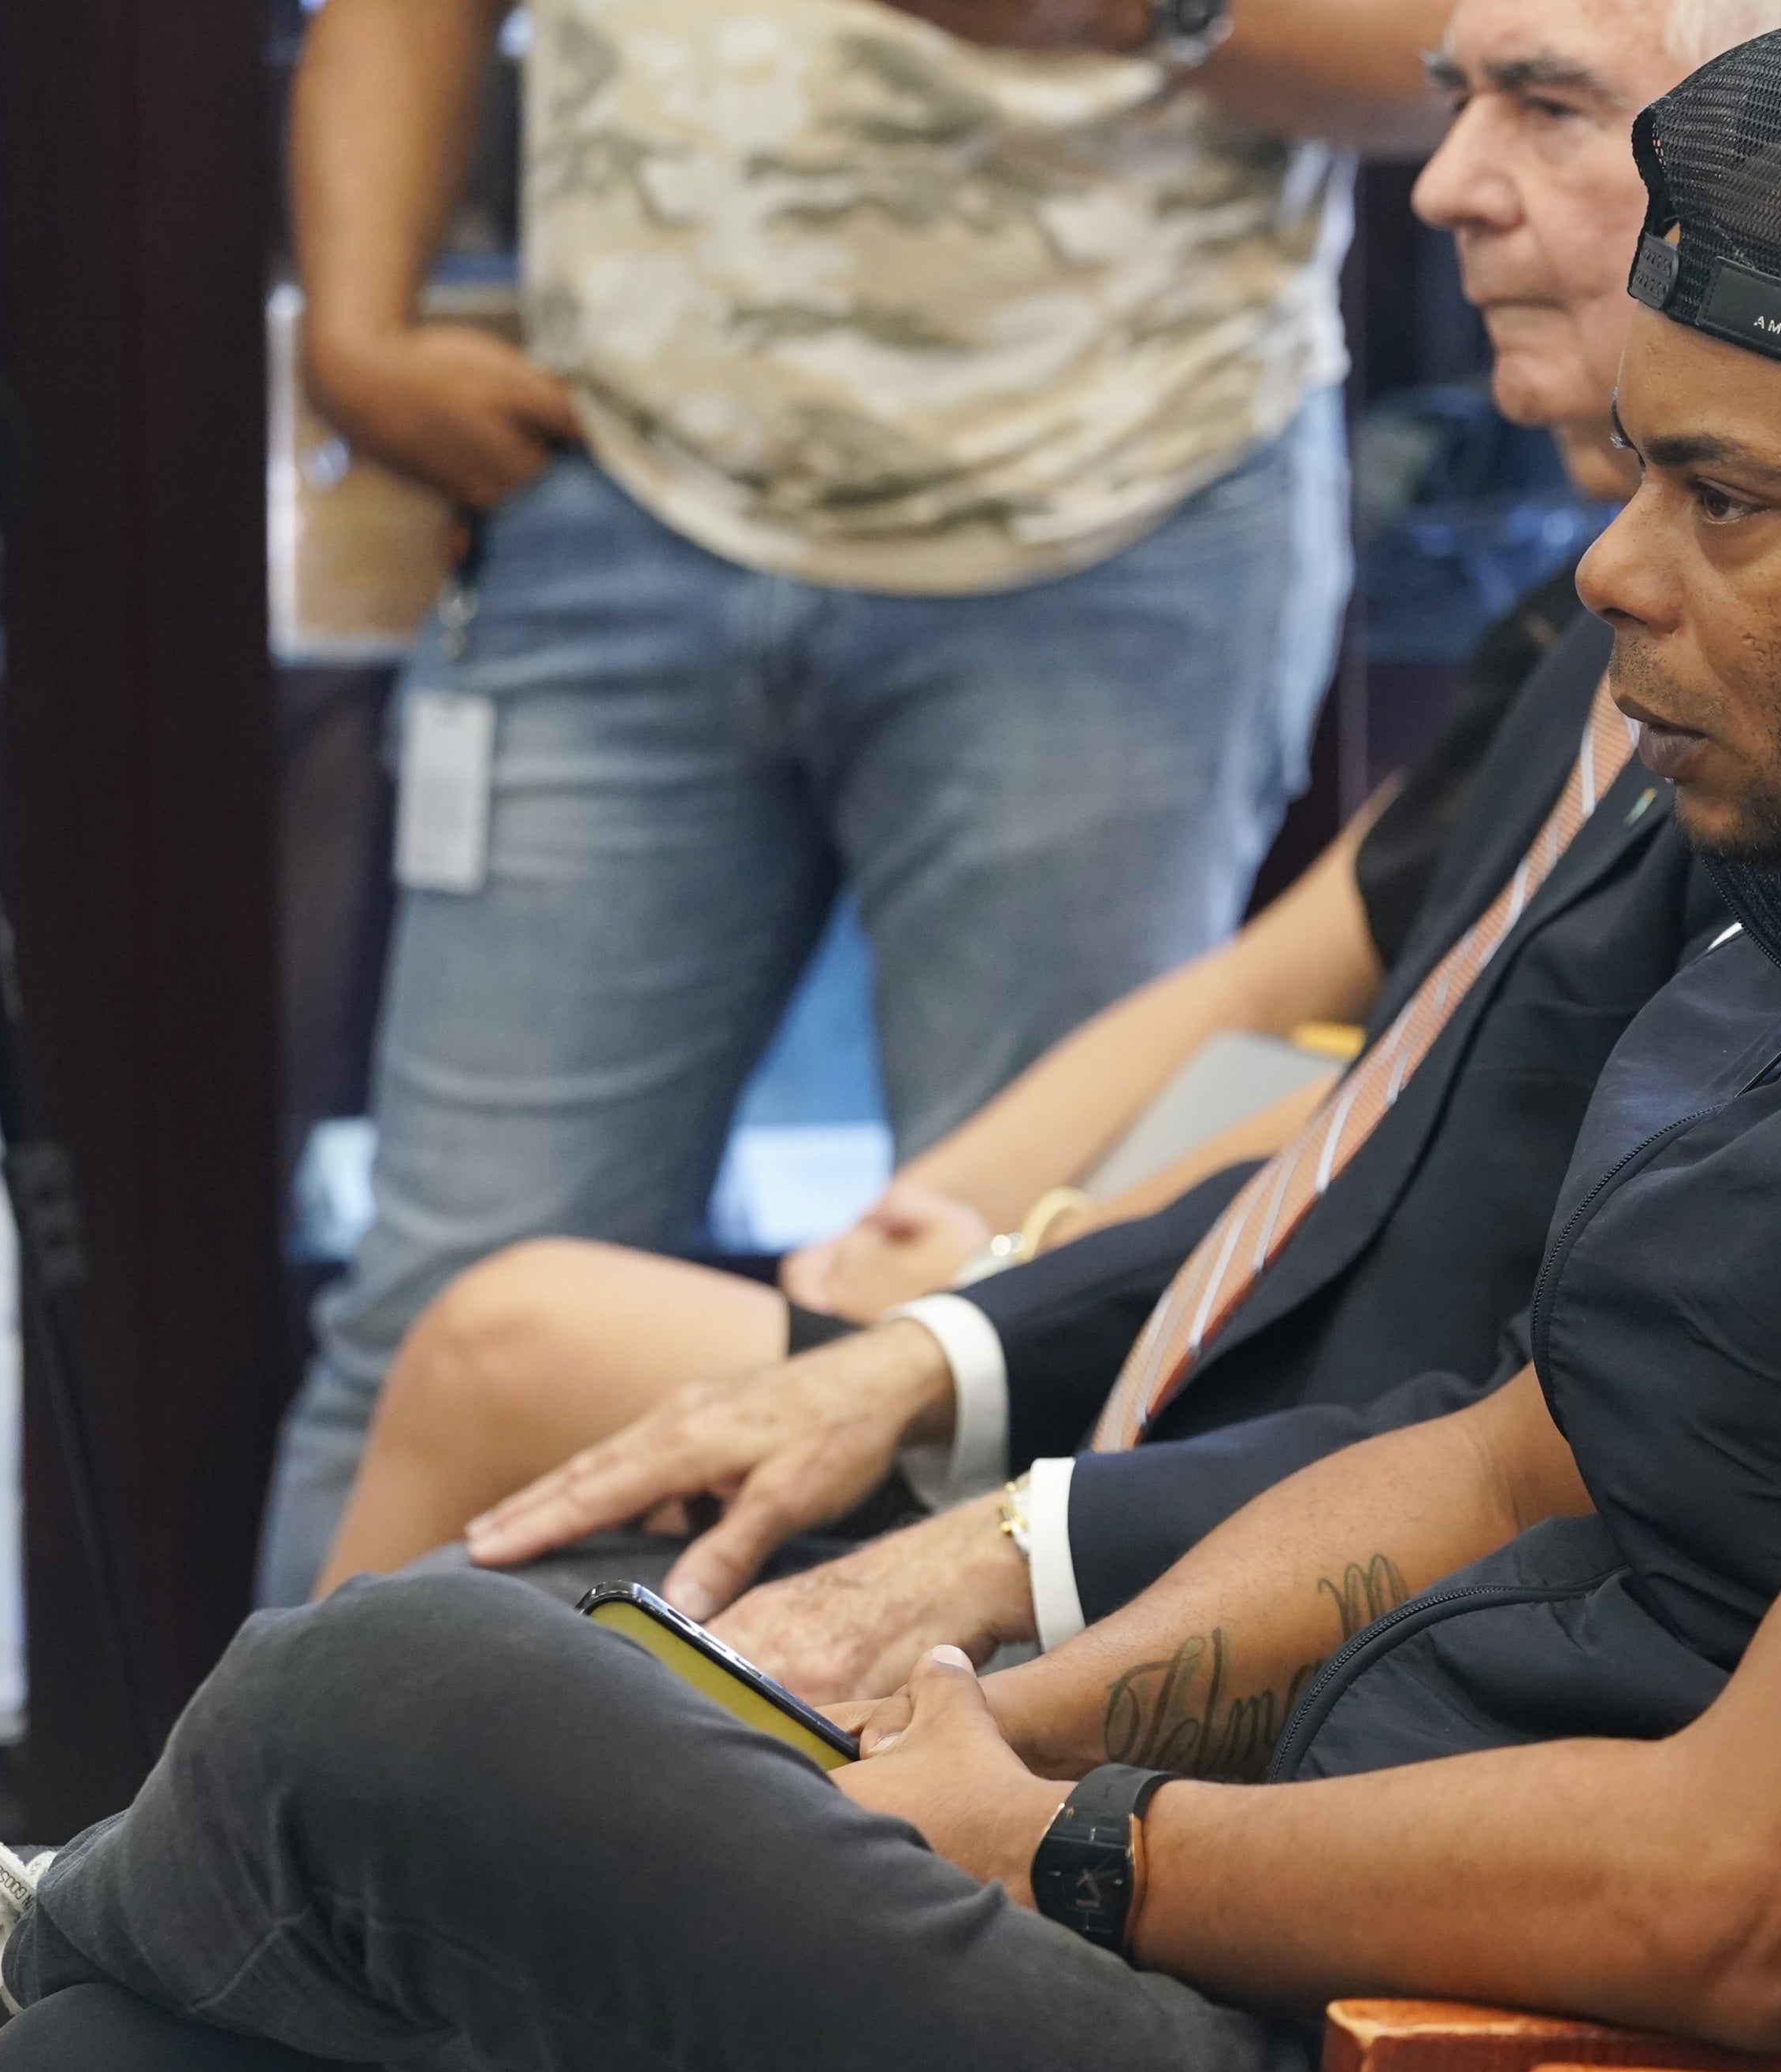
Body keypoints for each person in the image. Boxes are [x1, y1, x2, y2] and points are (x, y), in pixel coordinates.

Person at [0, 22, 1781, 2072]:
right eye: (1636, 470)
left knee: (385, 1699)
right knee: (130, 2053)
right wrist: (977, 1731)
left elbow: (1758, 1892)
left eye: (1721, 497)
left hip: (1397, 2043)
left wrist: (1090, 1843)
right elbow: (1497, 1458)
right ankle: (52, 1963)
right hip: (1270, 1914)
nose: (1620, 566)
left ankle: (37, 1915)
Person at [306, 0, 1781, 1712]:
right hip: (1177, 1348)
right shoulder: (1564, 632)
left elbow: (1533, 1408)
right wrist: (963, 1252)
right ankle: (157, 1904)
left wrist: (1007, 1435)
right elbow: (1360, 1056)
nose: (1435, 186)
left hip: (1307, 1501)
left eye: (1544, 108)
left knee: (503, 1547)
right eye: (1454, 101)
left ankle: (192, 1901)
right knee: (475, 1354)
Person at [253, 0, 1459, 1607]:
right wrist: (355, 330)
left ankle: (911, 1854)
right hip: (612, 483)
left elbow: (1464, 54)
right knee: (439, 1315)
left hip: (1118, 516)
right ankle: (220, 1862)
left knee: (1024, 1330)